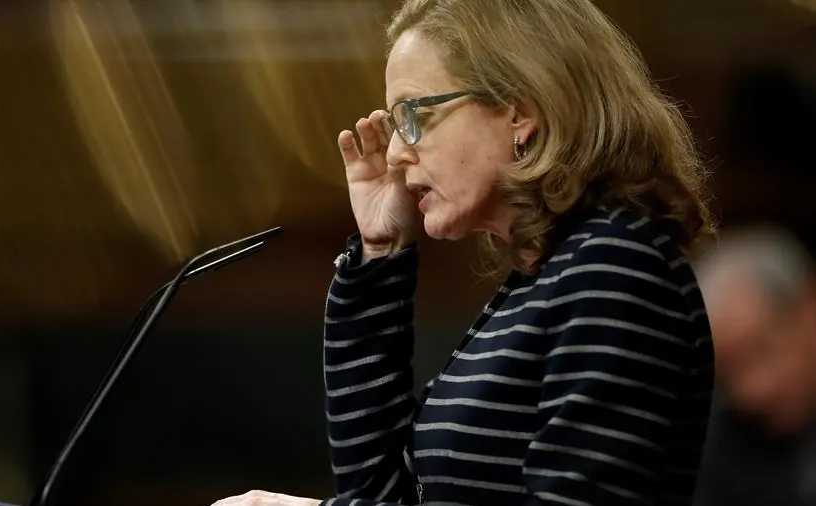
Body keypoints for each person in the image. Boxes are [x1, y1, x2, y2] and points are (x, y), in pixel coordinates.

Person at [213, 0, 715, 504]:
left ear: (520, 113)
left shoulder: (614, 267)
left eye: (414, 115)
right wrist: (380, 254)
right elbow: (386, 495)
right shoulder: (551, 273)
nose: (393, 152)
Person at [693, 225, 816, 506]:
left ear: (809, 312)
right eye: (728, 376)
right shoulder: (716, 446)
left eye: (759, 352)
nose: (752, 393)